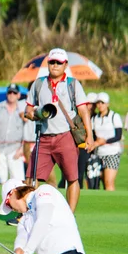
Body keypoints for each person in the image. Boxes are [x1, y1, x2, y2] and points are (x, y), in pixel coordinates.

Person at [24, 48, 93, 212]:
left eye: (58, 62)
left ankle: (69, 215)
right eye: (52, 62)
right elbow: (28, 110)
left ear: (65, 64)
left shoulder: (73, 84)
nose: (55, 65)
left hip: (66, 136)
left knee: (72, 178)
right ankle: (27, 213)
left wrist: (89, 135)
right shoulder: (38, 83)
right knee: (31, 177)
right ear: (48, 63)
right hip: (44, 137)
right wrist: (35, 114)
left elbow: (83, 111)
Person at [0, 179, 87, 254]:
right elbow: (22, 235)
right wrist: (19, 249)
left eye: (8, 204)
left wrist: (28, 252)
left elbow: (43, 220)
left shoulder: (44, 191)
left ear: (14, 192)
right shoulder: (25, 218)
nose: (12, 209)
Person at [0, 83, 25, 185]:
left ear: (18, 95)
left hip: (15, 148)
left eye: (14, 93)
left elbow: (27, 130)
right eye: (10, 92)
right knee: (0, 180)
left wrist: (22, 149)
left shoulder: (23, 110)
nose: (12, 94)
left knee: (18, 182)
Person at [91, 92, 123, 191]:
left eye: (102, 103)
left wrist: (103, 141)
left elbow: (118, 136)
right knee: (97, 181)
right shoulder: (95, 118)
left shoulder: (114, 116)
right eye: (98, 103)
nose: (100, 105)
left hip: (112, 152)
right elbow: (92, 135)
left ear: (107, 104)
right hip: (98, 153)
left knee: (108, 181)